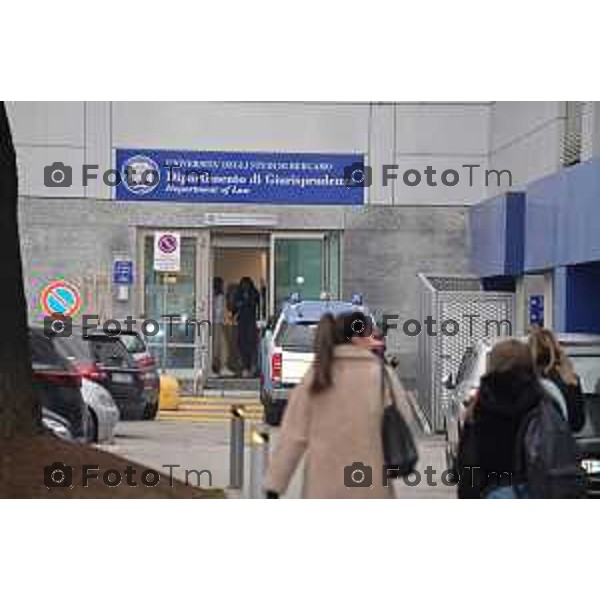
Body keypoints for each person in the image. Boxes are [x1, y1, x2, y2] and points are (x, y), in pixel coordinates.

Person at [264, 311, 413, 499]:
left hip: (324, 488)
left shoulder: (317, 377)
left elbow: (293, 435)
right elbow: (404, 417)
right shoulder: (381, 375)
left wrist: (275, 485)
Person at [457, 339, 546, 499]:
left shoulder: (481, 404)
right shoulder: (542, 400)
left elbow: (469, 460)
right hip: (535, 488)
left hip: (492, 490)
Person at [528, 326, 585, 432]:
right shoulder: (568, 378)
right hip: (560, 444)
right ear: (557, 348)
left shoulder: (525, 380)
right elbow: (577, 424)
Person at [232, 277, 260, 377]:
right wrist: (238, 304)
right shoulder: (238, 294)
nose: (245, 287)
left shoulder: (254, 293)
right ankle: (245, 367)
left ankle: (251, 367)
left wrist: (247, 301)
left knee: (251, 344)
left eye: (247, 285)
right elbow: (233, 308)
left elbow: (257, 304)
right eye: (243, 285)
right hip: (242, 322)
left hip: (251, 322)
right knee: (242, 344)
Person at [211, 277, 232, 377]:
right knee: (218, 346)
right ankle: (218, 367)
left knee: (219, 346)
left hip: (213, 323)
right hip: (216, 323)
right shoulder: (219, 297)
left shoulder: (211, 295)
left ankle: (220, 367)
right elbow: (220, 311)